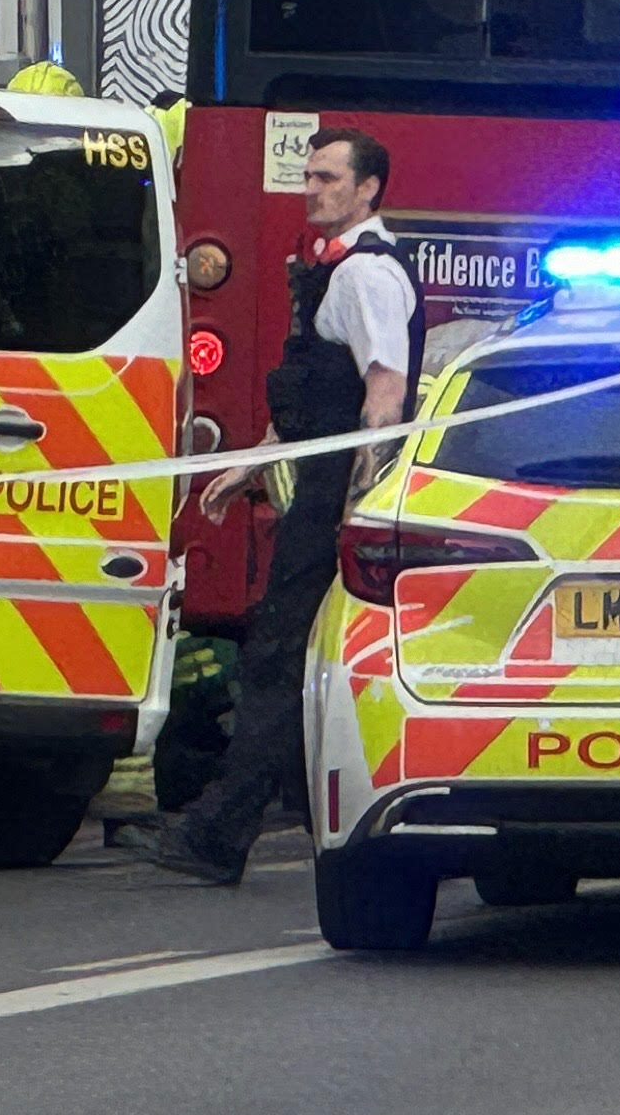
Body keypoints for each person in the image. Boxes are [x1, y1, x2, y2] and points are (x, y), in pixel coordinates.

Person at [126, 126, 415, 884]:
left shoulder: (367, 277)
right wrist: (248, 465)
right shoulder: (329, 270)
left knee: (278, 659)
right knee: (290, 656)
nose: (311, 188)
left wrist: (356, 495)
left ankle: (222, 834)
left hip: (335, 498)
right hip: (317, 487)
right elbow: (310, 393)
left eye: (326, 178)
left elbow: (383, 393)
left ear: (367, 189)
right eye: (308, 176)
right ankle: (257, 817)